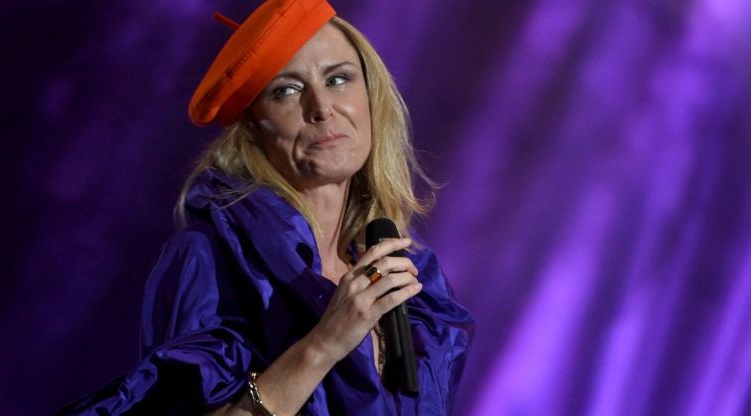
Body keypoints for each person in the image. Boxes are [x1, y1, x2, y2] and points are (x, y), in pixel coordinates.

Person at [58, 0, 473, 414]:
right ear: (253, 127)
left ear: (371, 95)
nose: (322, 108)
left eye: (339, 79)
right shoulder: (211, 258)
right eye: (286, 90)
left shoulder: (410, 275)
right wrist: (322, 346)